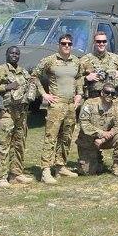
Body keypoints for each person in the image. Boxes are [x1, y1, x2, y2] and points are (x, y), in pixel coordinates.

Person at [0, 46, 34, 188]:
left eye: (17, 53)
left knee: (19, 144)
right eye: (12, 53)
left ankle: (16, 174)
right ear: (6, 55)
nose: (14, 55)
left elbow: (31, 85)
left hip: (21, 114)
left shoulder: (23, 72)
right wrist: (5, 88)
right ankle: (1, 177)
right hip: (6, 113)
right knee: (4, 145)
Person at [33, 33, 83, 184]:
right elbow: (34, 76)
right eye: (63, 43)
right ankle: (46, 170)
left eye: (69, 43)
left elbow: (79, 77)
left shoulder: (76, 61)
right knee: (51, 137)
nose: (66, 46)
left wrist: (79, 94)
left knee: (67, 136)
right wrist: (44, 94)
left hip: (70, 105)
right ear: (59, 45)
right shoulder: (50, 60)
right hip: (56, 104)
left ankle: (60, 166)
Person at [75, 84, 118, 176]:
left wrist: (103, 139)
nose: (109, 95)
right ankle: (96, 158)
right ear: (102, 93)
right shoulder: (89, 103)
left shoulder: (116, 106)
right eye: (107, 92)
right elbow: (84, 124)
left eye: (112, 93)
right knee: (87, 172)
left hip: (104, 140)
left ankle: (117, 165)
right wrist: (101, 133)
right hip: (88, 140)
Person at [78, 31, 118, 98]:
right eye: (98, 41)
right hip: (94, 99)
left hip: (113, 99)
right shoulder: (85, 60)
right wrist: (86, 78)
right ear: (94, 43)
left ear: (107, 43)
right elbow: (77, 79)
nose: (101, 44)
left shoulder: (116, 58)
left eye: (104, 41)